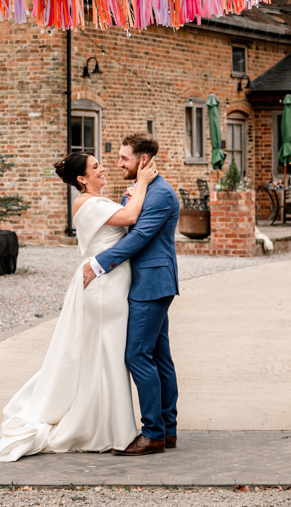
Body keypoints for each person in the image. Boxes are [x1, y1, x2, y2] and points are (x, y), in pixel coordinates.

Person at [0, 149, 159, 462]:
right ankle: (111, 428)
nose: (103, 169)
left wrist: (132, 193)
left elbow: (121, 220)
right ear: (82, 178)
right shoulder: (85, 202)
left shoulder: (98, 201)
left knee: (106, 354)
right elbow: (131, 218)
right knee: (107, 352)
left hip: (112, 281)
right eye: (96, 167)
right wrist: (144, 182)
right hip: (104, 286)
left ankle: (110, 424)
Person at [83, 133, 180, 456]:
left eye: (124, 158)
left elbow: (138, 237)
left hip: (151, 285)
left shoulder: (161, 194)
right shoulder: (145, 190)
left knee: (137, 355)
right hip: (148, 283)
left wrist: (98, 264)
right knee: (159, 357)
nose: (118, 163)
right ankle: (167, 430)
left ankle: (153, 433)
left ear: (143, 161)